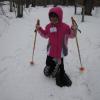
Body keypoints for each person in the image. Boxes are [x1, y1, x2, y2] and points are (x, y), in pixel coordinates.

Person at [36, 7, 77, 87]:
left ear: (60, 16)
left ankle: (60, 72)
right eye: (51, 17)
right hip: (51, 49)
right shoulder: (48, 26)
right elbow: (45, 34)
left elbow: (72, 35)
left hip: (60, 51)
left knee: (60, 65)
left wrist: (73, 29)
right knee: (48, 62)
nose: (53, 19)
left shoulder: (65, 27)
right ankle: (52, 67)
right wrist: (39, 29)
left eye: (55, 17)